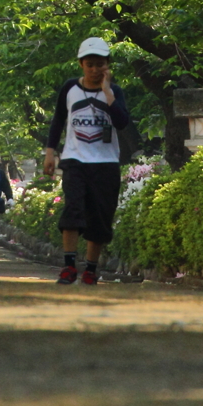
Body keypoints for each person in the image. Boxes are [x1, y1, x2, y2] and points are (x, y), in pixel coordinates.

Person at [44, 37, 131, 285]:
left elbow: (122, 122)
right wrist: (50, 152)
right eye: (90, 64)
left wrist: (107, 91)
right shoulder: (70, 89)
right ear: (81, 64)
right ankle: (69, 266)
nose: (95, 70)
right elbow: (58, 120)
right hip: (75, 159)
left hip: (105, 163)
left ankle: (91, 269)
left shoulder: (115, 92)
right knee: (73, 210)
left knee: (100, 217)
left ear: (107, 66)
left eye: (100, 65)